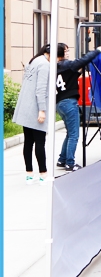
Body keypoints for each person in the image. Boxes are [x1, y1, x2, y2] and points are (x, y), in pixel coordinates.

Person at [55, 42, 101, 171]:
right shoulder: (67, 64)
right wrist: (98, 51)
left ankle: (62, 159)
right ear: (61, 53)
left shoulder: (56, 67)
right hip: (69, 102)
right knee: (74, 135)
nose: (68, 53)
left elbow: (71, 76)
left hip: (60, 103)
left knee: (69, 133)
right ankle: (70, 163)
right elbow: (83, 60)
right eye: (66, 51)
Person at [12, 44, 51, 184]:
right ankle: (43, 174)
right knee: (40, 142)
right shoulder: (44, 65)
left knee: (28, 142)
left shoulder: (34, 60)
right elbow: (41, 89)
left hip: (26, 107)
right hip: (36, 109)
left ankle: (29, 174)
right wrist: (42, 110)